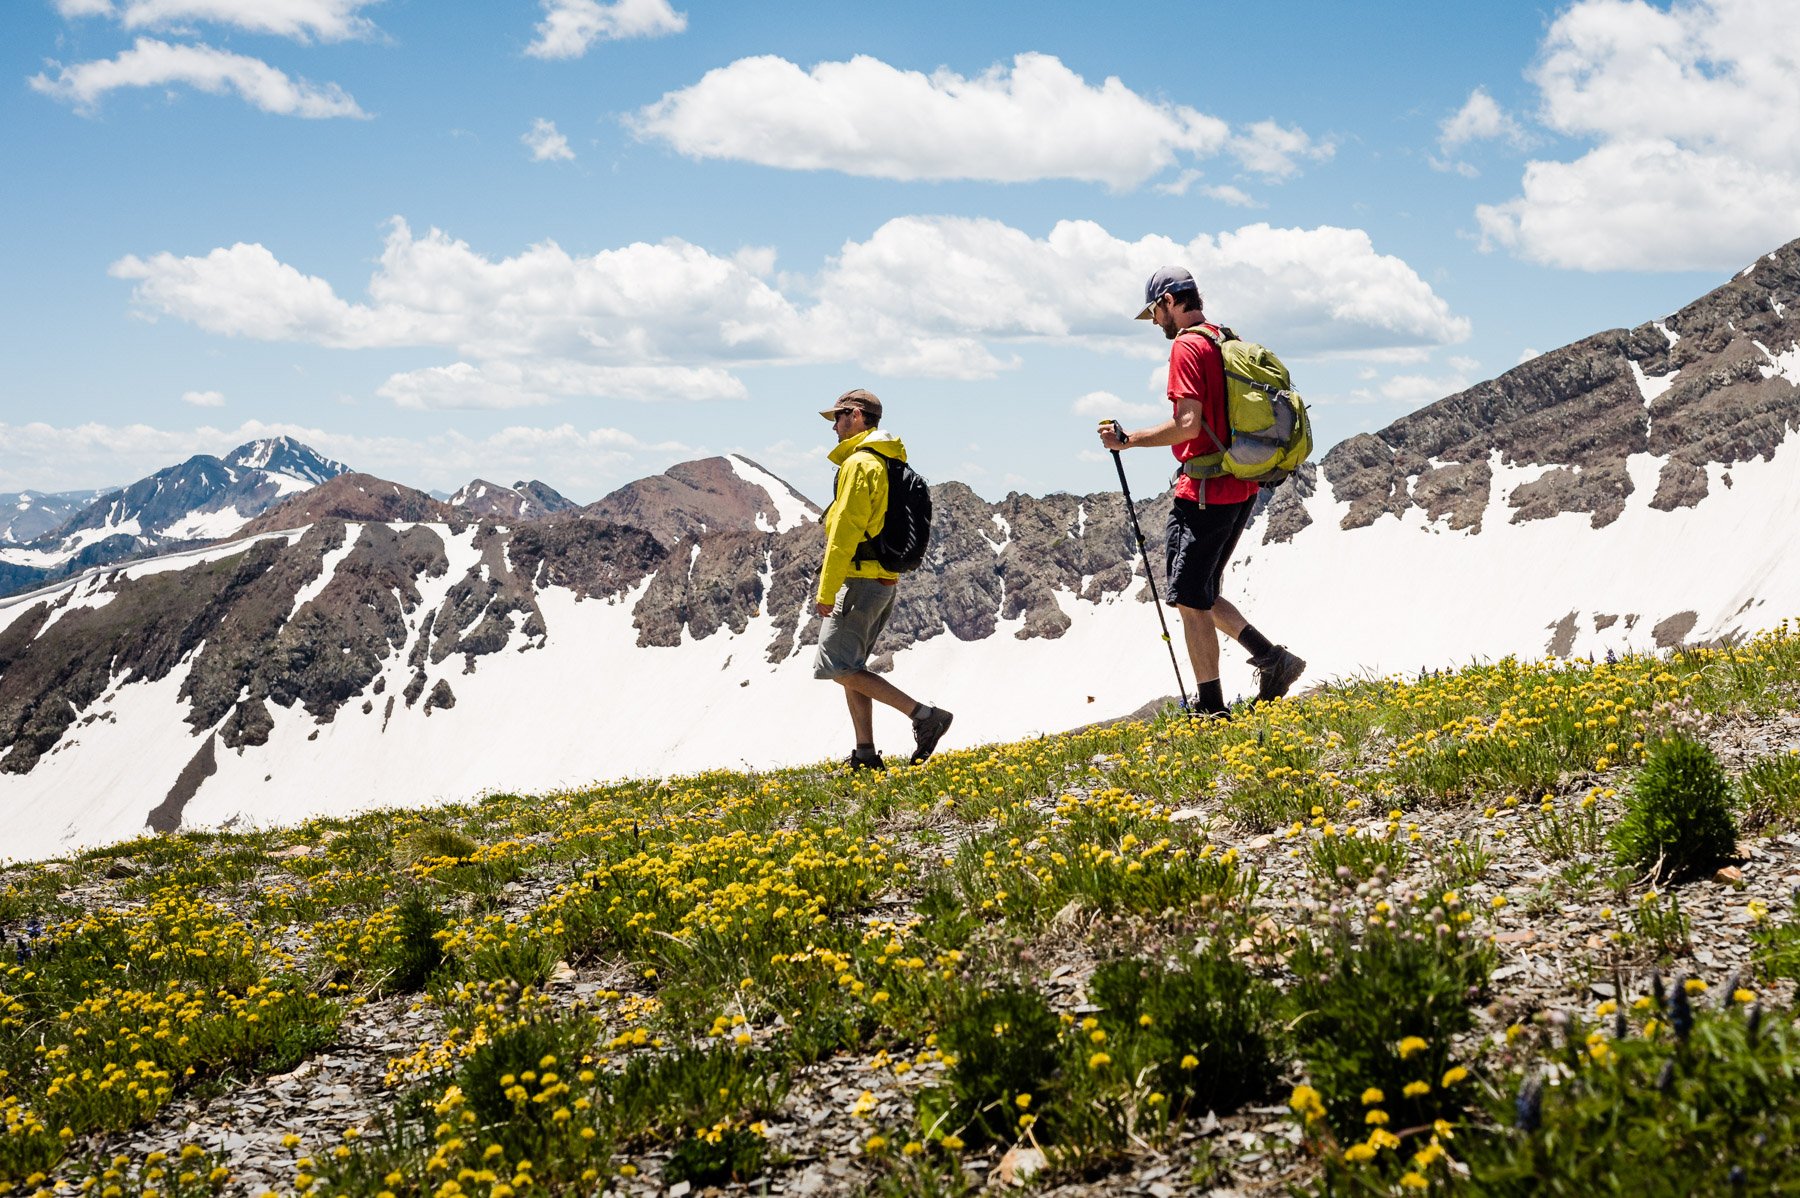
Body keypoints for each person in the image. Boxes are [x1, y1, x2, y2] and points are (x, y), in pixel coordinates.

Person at [1096, 267, 1305, 717]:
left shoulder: (1188, 347)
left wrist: (1127, 440)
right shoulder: (1221, 337)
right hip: (1240, 483)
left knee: (1190, 599)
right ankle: (1272, 660)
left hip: (1206, 490)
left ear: (1171, 301)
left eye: (1155, 311)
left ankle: (1211, 709)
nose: (1155, 321)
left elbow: (1187, 423)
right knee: (1200, 591)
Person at [814, 388, 953, 769]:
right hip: (881, 578)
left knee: (838, 665)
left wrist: (827, 590)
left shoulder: (861, 464)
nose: (835, 426)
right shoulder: (885, 460)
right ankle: (865, 754)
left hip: (860, 579)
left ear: (857, 416)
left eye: (839, 417)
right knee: (851, 666)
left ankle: (925, 717)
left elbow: (845, 531)